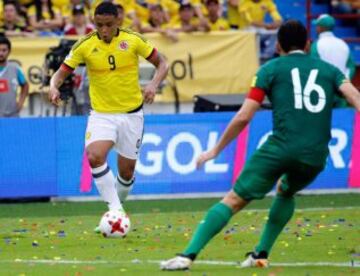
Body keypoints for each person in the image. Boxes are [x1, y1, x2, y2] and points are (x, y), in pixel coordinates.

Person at [160, 20, 360, 271]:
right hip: (315, 154)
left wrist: (215, 150)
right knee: (286, 190)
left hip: (280, 148)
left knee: (233, 200)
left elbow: (244, 116)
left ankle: (186, 255)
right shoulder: (330, 71)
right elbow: (354, 97)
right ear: (308, 44)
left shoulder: (270, 70)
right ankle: (260, 255)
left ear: (277, 46)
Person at [49, 2, 168, 227]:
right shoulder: (85, 45)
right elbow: (61, 72)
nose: (103, 30)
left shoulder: (133, 40)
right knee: (94, 156)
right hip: (101, 114)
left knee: (127, 172)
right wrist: (53, 86)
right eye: (99, 25)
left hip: (132, 114)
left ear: (118, 22)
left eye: (109, 25)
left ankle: (117, 211)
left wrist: (153, 84)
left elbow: (162, 63)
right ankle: (116, 212)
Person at [311, 14, 356, 108]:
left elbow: (313, 68)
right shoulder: (343, 44)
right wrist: (344, 83)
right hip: (341, 91)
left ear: (320, 28)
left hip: (323, 92)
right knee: (342, 119)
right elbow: (351, 66)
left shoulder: (316, 45)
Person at [0, 36, 29, 117]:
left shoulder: (15, 68)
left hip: (12, 116)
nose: (1, 53)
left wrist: (20, 103)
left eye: (4, 50)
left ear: (9, 51)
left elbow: (25, 85)